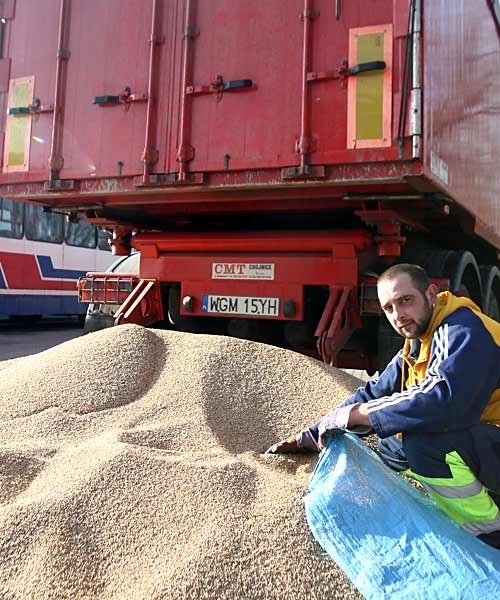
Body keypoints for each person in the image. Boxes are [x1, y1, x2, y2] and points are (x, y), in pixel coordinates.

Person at [267, 263, 500, 548]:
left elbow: (442, 399)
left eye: (405, 301)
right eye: (388, 308)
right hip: (488, 437)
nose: (398, 315)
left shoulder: (463, 329)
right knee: (392, 441)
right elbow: (373, 392)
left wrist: (362, 414)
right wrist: (313, 434)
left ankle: (489, 534)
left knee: (423, 444)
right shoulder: (418, 343)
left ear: (431, 293)